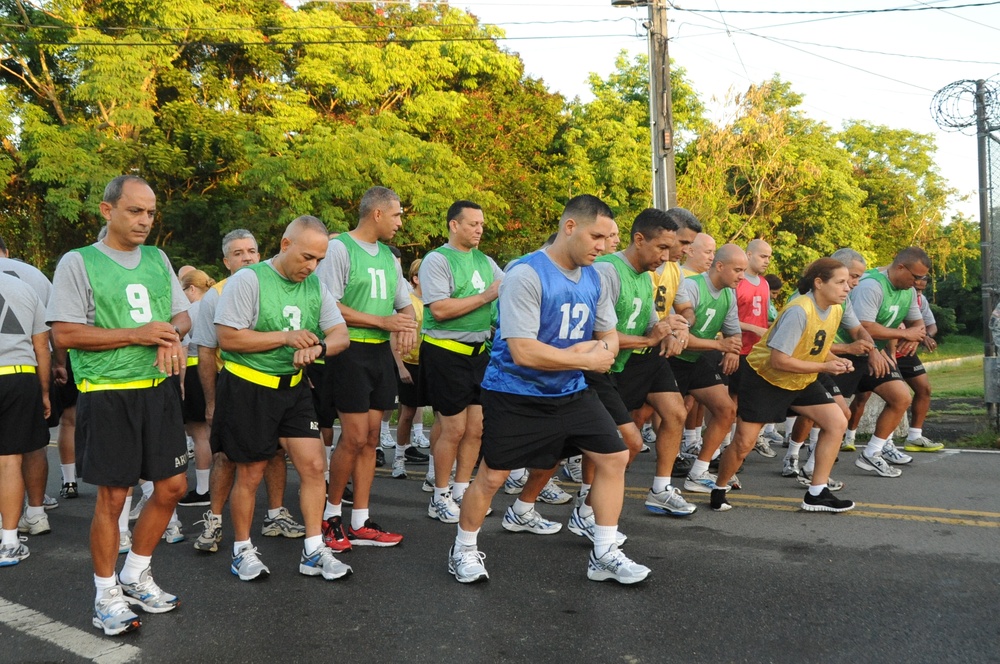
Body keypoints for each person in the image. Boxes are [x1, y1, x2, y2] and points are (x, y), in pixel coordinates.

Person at [448, 194, 650, 585]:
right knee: (492, 476)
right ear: (570, 227)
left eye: (609, 238)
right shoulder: (525, 273)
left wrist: (598, 352)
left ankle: (604, 553)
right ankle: (464, 549)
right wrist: (584, 357)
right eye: (597, 236)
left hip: (570, 391)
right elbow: (523, 351)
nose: (603, 246)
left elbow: (608, 336)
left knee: (614, 457)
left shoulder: (596, 276)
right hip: (515, 392)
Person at [48, 175, 191, 636]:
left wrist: (171, 334)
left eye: (150, 213)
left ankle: (136, 574)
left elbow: (182, 314)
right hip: (107, 393)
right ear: (107, 211)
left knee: (171, 487)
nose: (145, 221)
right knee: (114, 497)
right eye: (135, 211)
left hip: (158, 390)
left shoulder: (157, 258)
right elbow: (65, 334)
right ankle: (106, 593)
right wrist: (139, 333)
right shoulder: (79, 261)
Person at [212, 216, 351, 582]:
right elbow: (228, 338)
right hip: (248, 386)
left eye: (319, 260)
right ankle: (242, 550)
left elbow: (341, 334)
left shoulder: (316, 287)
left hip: (293, 388)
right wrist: (285, 338)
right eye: (307, 257)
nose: (312, 266)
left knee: (314, 466)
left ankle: (314, 550)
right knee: (251, 472)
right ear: (285, 244)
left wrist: (319, 348)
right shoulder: (249, 279)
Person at [190, 230, 305, 554]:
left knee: (275, 453)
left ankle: (275, 515)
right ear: (226, 262)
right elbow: (206, 353)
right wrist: (212, 401)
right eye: (238, 253)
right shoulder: (215, 295)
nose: (247, 257)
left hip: (278, 385)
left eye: (252, 250)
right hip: (237, 385)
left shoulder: (275, 284)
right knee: (227, 456)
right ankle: (214, 520)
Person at [711, 258, 857, 513]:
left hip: (800, 377)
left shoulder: (835, 309)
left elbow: (816, 349)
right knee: (744, 443)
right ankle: (719, 488)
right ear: (819, 283)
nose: (848, 287)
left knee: (837, 422)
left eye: (848, 282)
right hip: (765, 379)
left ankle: (816, 493)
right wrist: (825, 367)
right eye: (841, 282)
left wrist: (838, 360)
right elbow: (779, 360)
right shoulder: (799, 310)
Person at [318, 186, 417, 553]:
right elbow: (328, 305)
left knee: (373, 440)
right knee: (355, 436)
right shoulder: (340, 248)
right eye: (397, 215)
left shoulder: (390, 259)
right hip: (349, 351)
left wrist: (408, 326)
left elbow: (404, 306)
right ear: (377, 214)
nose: (400, 222)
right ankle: (330, 518)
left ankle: (360, 520)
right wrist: (383, 321)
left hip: (378, 354)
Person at [419, 201, 503, 523]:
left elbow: (506, 289)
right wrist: (486, 296)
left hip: (478, 352)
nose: (479, 229)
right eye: (473, 224)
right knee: (452, 428)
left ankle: (460, 489)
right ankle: (438, 495)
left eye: (481, 224)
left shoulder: (485, 261)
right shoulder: (437, 260)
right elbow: (439, 310)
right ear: (454, 225)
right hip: (445, 351)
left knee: (476, 428)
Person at [842, 247, 930, 477]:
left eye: (922, 278)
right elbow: (863, 326)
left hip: (873, 353)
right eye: (916, 276)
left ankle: (872, 453)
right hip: (846, 352)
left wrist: (913, 337)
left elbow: (918, 325)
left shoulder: (908, 291)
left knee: (901, 398)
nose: (918, 282)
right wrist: (903, 335)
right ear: (900, 267)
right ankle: (799, 455)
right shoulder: (872, 285)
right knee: (830, 414)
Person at [670, 244, 744, 493]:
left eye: (744, 270)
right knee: (656, 416)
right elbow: (678, 336)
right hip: (673, 358)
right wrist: (719, 344)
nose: (742, 276)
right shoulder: (692, 286)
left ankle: (698, 472)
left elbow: (734, 332)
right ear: (720, 266)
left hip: (698, 360)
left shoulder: (728, 294)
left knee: (726, 410)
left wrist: (732, 350)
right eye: (737, 270)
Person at [0, 238, 57, 534]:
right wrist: (45, 391)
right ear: (6, 251)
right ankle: (35, 513)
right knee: (31, 446)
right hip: (20, 373)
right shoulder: (28, 281)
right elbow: (42, 345)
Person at [730, 240, 775, 457]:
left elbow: (765, 317)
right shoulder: (737, 281)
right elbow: (727, 318)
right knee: (731, 400)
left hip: (756, 352)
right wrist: (754, 329)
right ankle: (726, 445)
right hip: (737, 348)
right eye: (763, 256)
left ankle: (749, 439)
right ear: (749, 255)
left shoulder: (765, 284)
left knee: (756, 398)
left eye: (769, 257)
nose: (767, 261)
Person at [176, 269, 216, 507]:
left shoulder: (190, 311)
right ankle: (209, 485)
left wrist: (180, 381)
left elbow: (183, 346)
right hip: (213, 369)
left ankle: (203, 489)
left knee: (198, 433)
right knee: (208, 432)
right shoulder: (215, 305)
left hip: (192, 369)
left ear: (191, 288)